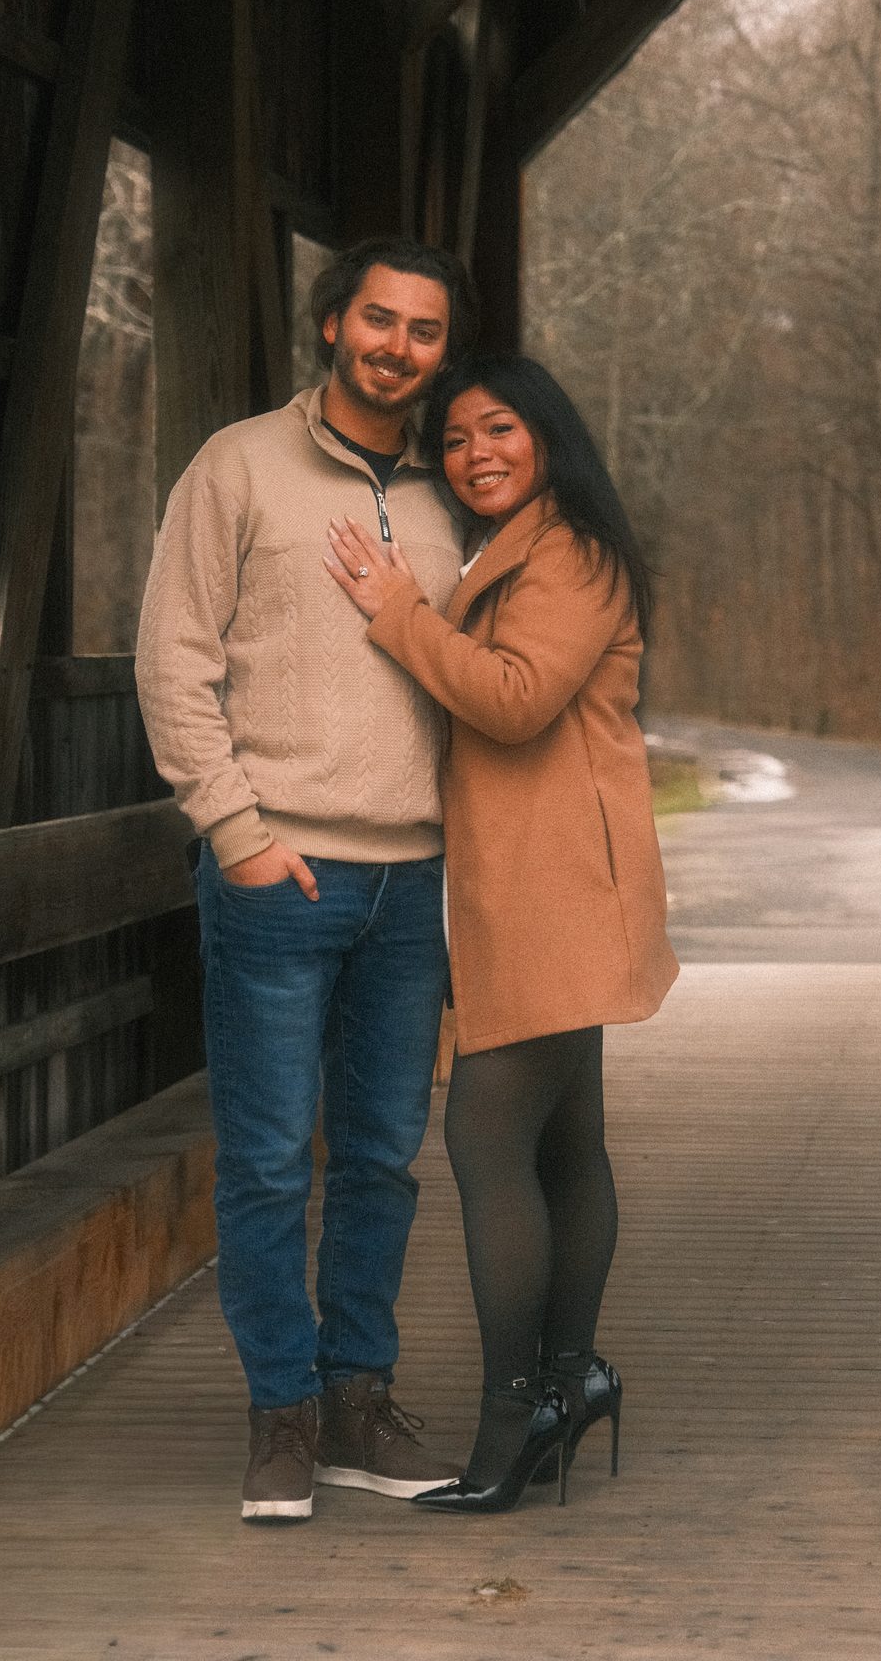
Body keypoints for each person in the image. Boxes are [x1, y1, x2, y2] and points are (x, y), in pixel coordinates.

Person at [135, 236, 479, 1524]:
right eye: (378, 319)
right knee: (274, 1160)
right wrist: (235, 830)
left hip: (413, 882)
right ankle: (278, 1414)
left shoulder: (459, 490)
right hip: (278, 870)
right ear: (333, 323)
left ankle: (355, 1406)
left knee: (385, 1156)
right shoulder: (237, 466)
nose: (398, 345)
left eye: (425, 330)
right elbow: (173, 658)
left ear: (445, 350)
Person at [323, 351, 679, 1514]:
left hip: (554, 884)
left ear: (547, 436)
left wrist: (395, 612)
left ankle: (513, 1414)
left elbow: (518, 699)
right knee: (566, 1141)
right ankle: (570, 1384)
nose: (477, 453)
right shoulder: (523, 543)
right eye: (457, 438)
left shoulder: (566, 550)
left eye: (500, 431)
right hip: (547, 877)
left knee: (486, 1141)